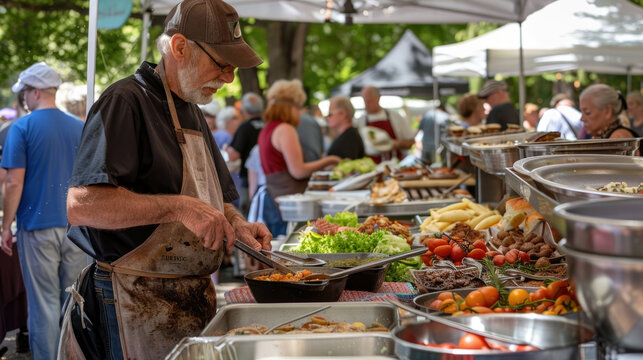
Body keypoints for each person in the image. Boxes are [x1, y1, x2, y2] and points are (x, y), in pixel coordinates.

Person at [59, 1, 272, 359]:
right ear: (179, 47)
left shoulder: (191, 106)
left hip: (191, 301)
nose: (229, 78)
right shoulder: (125, 102)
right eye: (221, 64)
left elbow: (217, 196)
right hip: (134, 301)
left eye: (232, 68)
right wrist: (179, 207)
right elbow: (81, 206)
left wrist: (238, 223)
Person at [1, 62, 85, 360]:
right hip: (77, 229)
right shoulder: (80, 126)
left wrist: (5, 226)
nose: (23, 97)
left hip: (36, 228)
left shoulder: (20, 127)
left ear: (35, 91)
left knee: (43, 306)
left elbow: (13, 182)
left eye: (24, 91)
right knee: (75, 304)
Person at [258, 79, 340, 206]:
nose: (300, 112)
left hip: (274, 198)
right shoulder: (285, 129)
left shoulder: (266, 129)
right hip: (289, 201)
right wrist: (329, 160)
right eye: (298, 107)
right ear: (290, 107)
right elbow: (298, 171)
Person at [227, 92, 264, 214]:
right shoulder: (267, 125)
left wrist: (226, 148)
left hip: (248, 177)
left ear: (244, 110)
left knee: (248, 212)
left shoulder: (245, 127)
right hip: (268, 177)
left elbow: (233, 155)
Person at [355, 86, 414, 162]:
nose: (366, 104)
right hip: (371, 167)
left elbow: (411, 143)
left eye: (369, 101)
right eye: (365, 101)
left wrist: (397, 144)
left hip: (395, 163)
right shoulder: (359, 121)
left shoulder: (396, 117)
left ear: (378, 98)